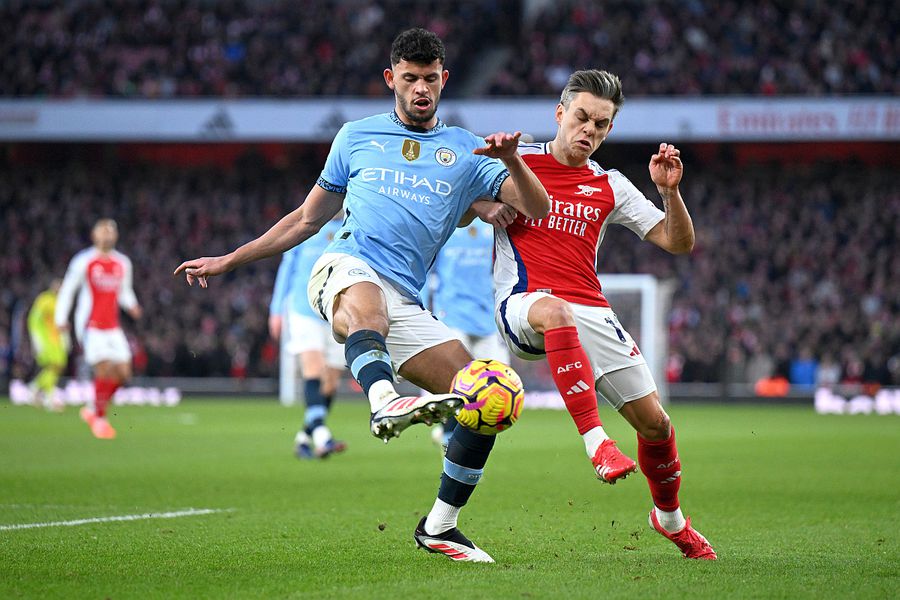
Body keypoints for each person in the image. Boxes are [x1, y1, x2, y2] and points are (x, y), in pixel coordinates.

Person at [175, 28, 550, 562]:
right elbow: (306, 220)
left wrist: (513, 160)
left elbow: (534, 207)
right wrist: (230, 259)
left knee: (488, 395)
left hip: (404, 298)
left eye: (430, 79)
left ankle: (440, 526)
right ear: (390, 79)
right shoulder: (355, 137)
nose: (421, 88)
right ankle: (382, 400)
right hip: (344, 268)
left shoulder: (467, 149)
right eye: (410, 78)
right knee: (367, 300)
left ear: (445, 79)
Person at [477, 69, 716, 559]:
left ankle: (669, 520)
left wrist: (670, 193)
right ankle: (596, 443)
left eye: (602, 125)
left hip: (590, 309)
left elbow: (678, 242)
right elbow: (456, 200)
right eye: (582, 117)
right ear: (560, 114)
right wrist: (483, 204)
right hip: (525, 302)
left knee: (656, 426)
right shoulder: (516, 160)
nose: (589, 130)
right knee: (557, 310)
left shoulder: (611, 185)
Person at [423, 219, 511, 449]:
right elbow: (423, 271)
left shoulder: (491, 229)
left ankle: (455, 432)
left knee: (499, 382)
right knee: (456, 379)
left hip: (485, 317)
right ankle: (449, 437)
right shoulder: (444, 228)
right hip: (451, 313)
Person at [269, 216, 348, 459]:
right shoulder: (306, 225)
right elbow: (287, 268)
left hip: (337, 312)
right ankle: (323, 436)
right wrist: (276, 310)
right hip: (303, 309)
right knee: (313, 369)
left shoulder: (351, 227)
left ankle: (304, 437)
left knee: (331, 381)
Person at [56, 219, 142, 439]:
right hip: (90, 325)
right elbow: (68, 290)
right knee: (103, 368)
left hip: (113, 327)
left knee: (124, 373)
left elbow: (124, 291)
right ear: (94, 236)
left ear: (116, 236)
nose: (107, 235)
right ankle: (100, 419)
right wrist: (60, 318)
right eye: (103, 232)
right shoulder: (83, 261)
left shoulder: (123, 262)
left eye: (111, 232)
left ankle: (92, 408)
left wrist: (132, 305)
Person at [26, 278, 69, 411]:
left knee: (58, 367)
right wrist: (36, 339)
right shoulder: (44, 299)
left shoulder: (61, 302)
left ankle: (35, 388)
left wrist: (65, 337)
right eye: (58, 286)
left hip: (57, 339)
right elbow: (33, 319)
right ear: (53, 286)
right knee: (53, 366)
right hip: (45, 339)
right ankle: (49, 399)